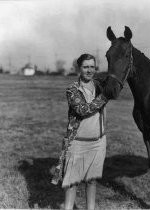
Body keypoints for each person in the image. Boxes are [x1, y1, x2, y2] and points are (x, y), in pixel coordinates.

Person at [52, 53, 109, 210]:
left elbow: (116, 83)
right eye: (85, 67)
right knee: (72, 182)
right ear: (79, 68)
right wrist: (105, 96)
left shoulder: (100, 86)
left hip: (98, 143)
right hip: (78, 142)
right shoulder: (72, 89)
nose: (89, 70)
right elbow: (83, 109)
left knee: (92, 181)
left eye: (92, 66)